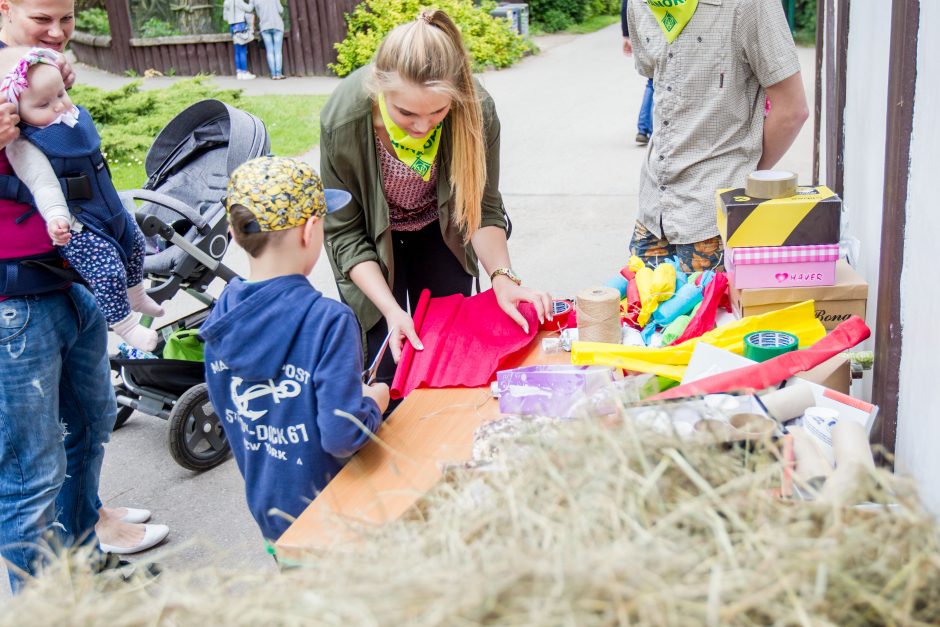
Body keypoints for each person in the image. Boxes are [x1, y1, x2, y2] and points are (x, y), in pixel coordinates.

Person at [0, 2, 163, 591]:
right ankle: (48, 605)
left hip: (71, 286)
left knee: (92, 424)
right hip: (14, 305)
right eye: (43, 17)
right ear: (5, 7)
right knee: (30, 473)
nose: (58, 32)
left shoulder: (43, 73)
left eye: (67, 18)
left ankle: (84, 560)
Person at [320, 9, 552, 392]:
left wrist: (503, 277)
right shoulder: (343, 120)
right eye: (406, 112)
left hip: (441, 231)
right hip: (373, 245)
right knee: (386, 362)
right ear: (379, 89)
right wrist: (393, 312)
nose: (422, 126)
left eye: (438, 112)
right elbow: (345, 233)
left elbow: (481, 205)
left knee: (451, 353)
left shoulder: (477, 110)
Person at [200, 156, 389, 544]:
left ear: (236, 235)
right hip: (340, 510)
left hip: (271, 511)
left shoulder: (221, 315)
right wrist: (373, 401)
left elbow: (228, 409)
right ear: (309, 230)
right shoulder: (328, 321)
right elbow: (341, 435)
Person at [1, 48, 166, 351]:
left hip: (106, 210)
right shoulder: (25, 144)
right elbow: (44, 185)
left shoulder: (68, 118)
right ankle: (126, 326)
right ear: (16, 112)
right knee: (105, 268)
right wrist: (56, 217)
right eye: (44, 104)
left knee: (136, 244)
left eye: (62, 95)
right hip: (76, 224)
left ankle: (137, 294)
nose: (60, 106)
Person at [625, 0, 808, 272]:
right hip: (653, 214)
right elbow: (658, 80)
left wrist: (743, 177)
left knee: (711, 315)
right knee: (642, 312)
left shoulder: (750, 5)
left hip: (715, 222)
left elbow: (791, 110)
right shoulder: (640, 4)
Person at [621, 0, 653, 145]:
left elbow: (627, 4)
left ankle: (643, 129)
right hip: (660, 31)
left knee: (652, 82)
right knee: (655, 82)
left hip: (643, 30)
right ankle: (651, 130)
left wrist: (626, 35)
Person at [223, 0, 255, 80]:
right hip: (241, 25)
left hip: (232, 27)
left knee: (237, 51)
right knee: (243, 50)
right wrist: (251, 1)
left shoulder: (226, 2)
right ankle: (244, 72)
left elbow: (225, 17)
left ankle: (239, 72)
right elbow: (249, 9)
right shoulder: (239, 1)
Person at [253, 0, 284, 80]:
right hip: (277, 25)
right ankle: (278, 73)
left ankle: (273, 74)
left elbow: (258, 14)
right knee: (277, 51)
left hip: (264, 26)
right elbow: (281, 10)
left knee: (269, 51)